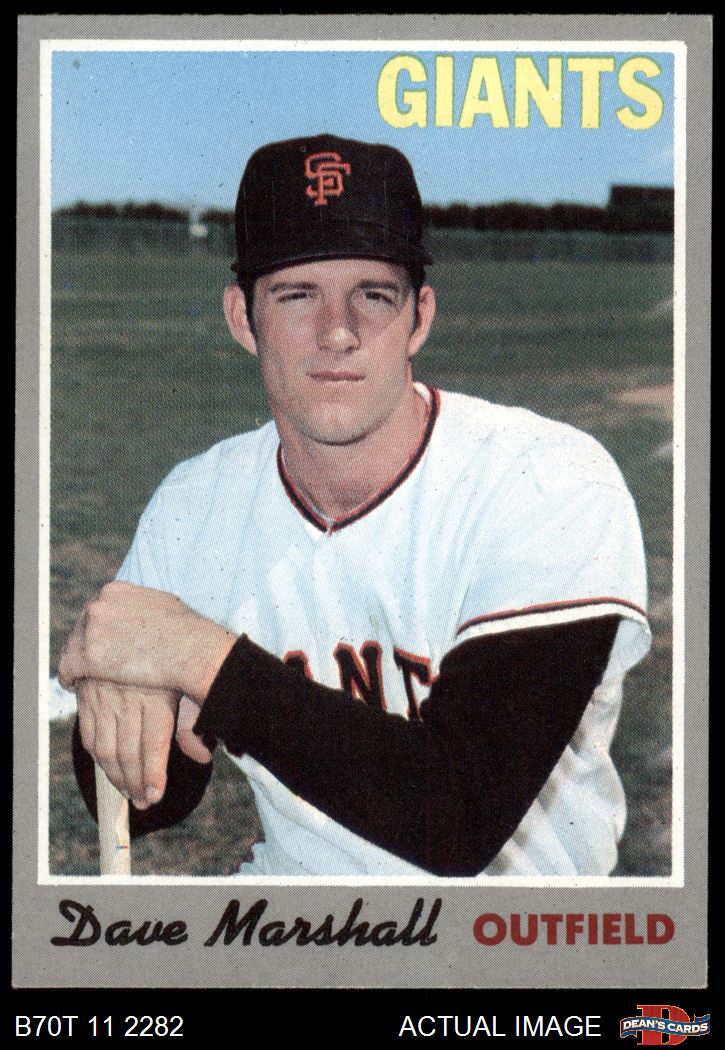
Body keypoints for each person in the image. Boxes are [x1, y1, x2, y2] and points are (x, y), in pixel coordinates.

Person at [59, 133, 651, 878]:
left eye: (373, 295)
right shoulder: (196, 502)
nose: (337, 332)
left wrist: (196, 657)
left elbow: (459, 815)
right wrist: (123, 685)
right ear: (243, 317)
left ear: (419, 317)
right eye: (296, 295)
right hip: (299, 917)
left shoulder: (544, 481)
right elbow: (148, 803)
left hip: (504, 927)